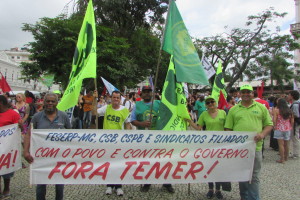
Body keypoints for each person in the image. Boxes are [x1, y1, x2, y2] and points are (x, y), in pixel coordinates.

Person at [225, 84, 273, 200]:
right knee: (242, 175)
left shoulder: (261, 107)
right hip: (240, 149)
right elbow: (228, 128)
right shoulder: (233, 110)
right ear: (239, 94)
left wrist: (262, 134)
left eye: (248, 92)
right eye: (243, 92)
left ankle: (254, 198)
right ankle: (244, 197)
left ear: (252, 94)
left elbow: (269, 125)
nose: (246, 94)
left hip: (255, 148)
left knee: (254, 176)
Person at [24, 93, 71, 200]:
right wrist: (26, 151)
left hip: (59, 157)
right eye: (48, 101)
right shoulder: (36, 117)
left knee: (59, 185)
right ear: (44, 102)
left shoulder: (63, 116)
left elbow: (70, 135)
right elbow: (28, 134)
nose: (50, 103)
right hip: (42, 158)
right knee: (41, 185)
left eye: (52, 101)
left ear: (57, 103)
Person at [131, 86, 175, 193]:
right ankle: (147, 182)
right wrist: (141, 123)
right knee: (147, 161)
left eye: (149, 92)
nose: (147, 94)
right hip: (144, 139)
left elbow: (167, 115)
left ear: (152, 93)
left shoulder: (158, 104)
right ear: (141, 94)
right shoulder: (137, 105)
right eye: (144, 92)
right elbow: (132, 120)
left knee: (163, 160)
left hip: (159, 138)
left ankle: (167, 182)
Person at [188, 96, 226, 199]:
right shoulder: (204, 114)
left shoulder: (223, 113)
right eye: (208, 103)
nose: (210, 104)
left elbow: (228, 128)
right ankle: (210, 189)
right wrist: (190, 121)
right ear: (206, 105)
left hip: (221, 144)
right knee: (209, 166)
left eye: (212, 102)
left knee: (219, 167)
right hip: (209, 144)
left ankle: (218, 190)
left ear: (215, 102)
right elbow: (198, 127)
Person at [97, 91, 131, 196]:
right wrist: (94, 100)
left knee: (119, 165)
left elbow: (128, 125)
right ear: (110, 98)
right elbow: (95, 113)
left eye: (117, 98)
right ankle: (109, 185)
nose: (115, 99)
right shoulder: (106, 108)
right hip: (107, 142)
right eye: (114, 97)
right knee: (108, 164)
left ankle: (119, 186)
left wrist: (127, 139)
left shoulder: (124, 110)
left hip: (119, 142)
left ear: (120, 99)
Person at [0, 95, 22, 199]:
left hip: (8, 145)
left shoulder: (13, 114)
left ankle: (6, 187)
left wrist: (20, 126)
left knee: (6, 168)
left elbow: (18, 129)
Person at [273, 98, 293, 163]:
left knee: (281, 144)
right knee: (287, 144)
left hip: (279, 128)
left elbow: (274, 119)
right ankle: (286, 157)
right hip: (287, 128)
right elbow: (292, 120)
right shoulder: (289, 110)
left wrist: (274, 126)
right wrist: (291, 126)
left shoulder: (276, 110)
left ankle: (282, 159)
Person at [287, 90, 300, 158]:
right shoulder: (297, 103)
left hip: (295, 123)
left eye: (289, 95)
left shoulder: (294, 105)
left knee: (295, 138)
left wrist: (289, 116)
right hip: (296, 123)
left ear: (292, 96)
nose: (288, 96)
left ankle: (296, 154)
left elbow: (296, 115)